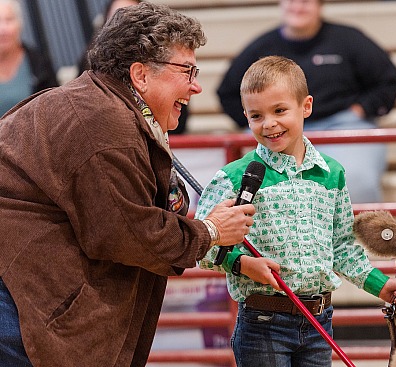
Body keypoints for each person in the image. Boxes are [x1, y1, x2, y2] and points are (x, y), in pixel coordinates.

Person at [0, 3, 255, 366]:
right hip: (15, 300)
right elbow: (132, 236)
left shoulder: (100, 105)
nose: (196, 86)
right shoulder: (106, 124)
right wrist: (210, 231)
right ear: (140, 74)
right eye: (187, 71)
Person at [197, 56, 396, 367]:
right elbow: (202, 246)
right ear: (245, 115)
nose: (268, 123)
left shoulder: (331, 174)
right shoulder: (234, 177)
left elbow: (341, 246)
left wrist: (381, 285)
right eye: (256, 115)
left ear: (306, 106)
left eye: (280, 110)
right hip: (263, 324)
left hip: (318, 321)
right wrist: (244, 264)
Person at [216, 0, 396, 204]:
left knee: (355, 181)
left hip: (341, 126)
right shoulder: (262, 46)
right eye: (291, 0)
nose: (298, 6)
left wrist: (361, 109)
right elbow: (227, 92)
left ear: (319, 5)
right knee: (227, 182)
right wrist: (259, 120)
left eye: (305, 1)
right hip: (276, 131)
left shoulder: (349, 39)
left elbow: (388, 80)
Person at [77, 0, 190, 133]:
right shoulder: (89, 62)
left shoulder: (164, 60)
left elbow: (179, 118)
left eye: (133, 19)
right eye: (117, 19)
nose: (124, 26)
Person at [0, 0, 58, 116]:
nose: (3, 30)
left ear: (20, 24)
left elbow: (56, 108)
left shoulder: (40, 64)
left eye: (9, 20)